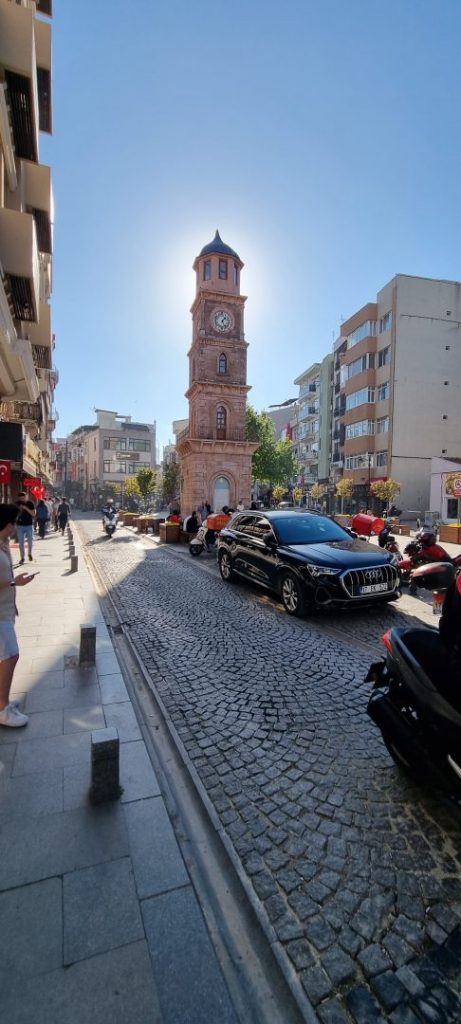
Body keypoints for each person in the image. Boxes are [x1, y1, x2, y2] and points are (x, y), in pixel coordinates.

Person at [0, 503, 36, 728]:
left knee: (7, 656)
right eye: (12, 523)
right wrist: (15, 582)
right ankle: (3, 710)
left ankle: (3, 702)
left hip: (5, 609)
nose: (14, 527)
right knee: (11, 656)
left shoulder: (3, 545)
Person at [16, 491, 36, 564]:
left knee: (30, 541)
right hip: (20, 526)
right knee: (21, 543)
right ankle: (22, 558)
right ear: (18, 498)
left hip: (29, 525)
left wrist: (25, 508)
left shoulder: (30, 504)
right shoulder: (16, 504)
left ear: (26, 497)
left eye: (23, 497)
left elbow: (33, 514)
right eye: (21, 498)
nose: (22, 499)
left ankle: (29, 554)